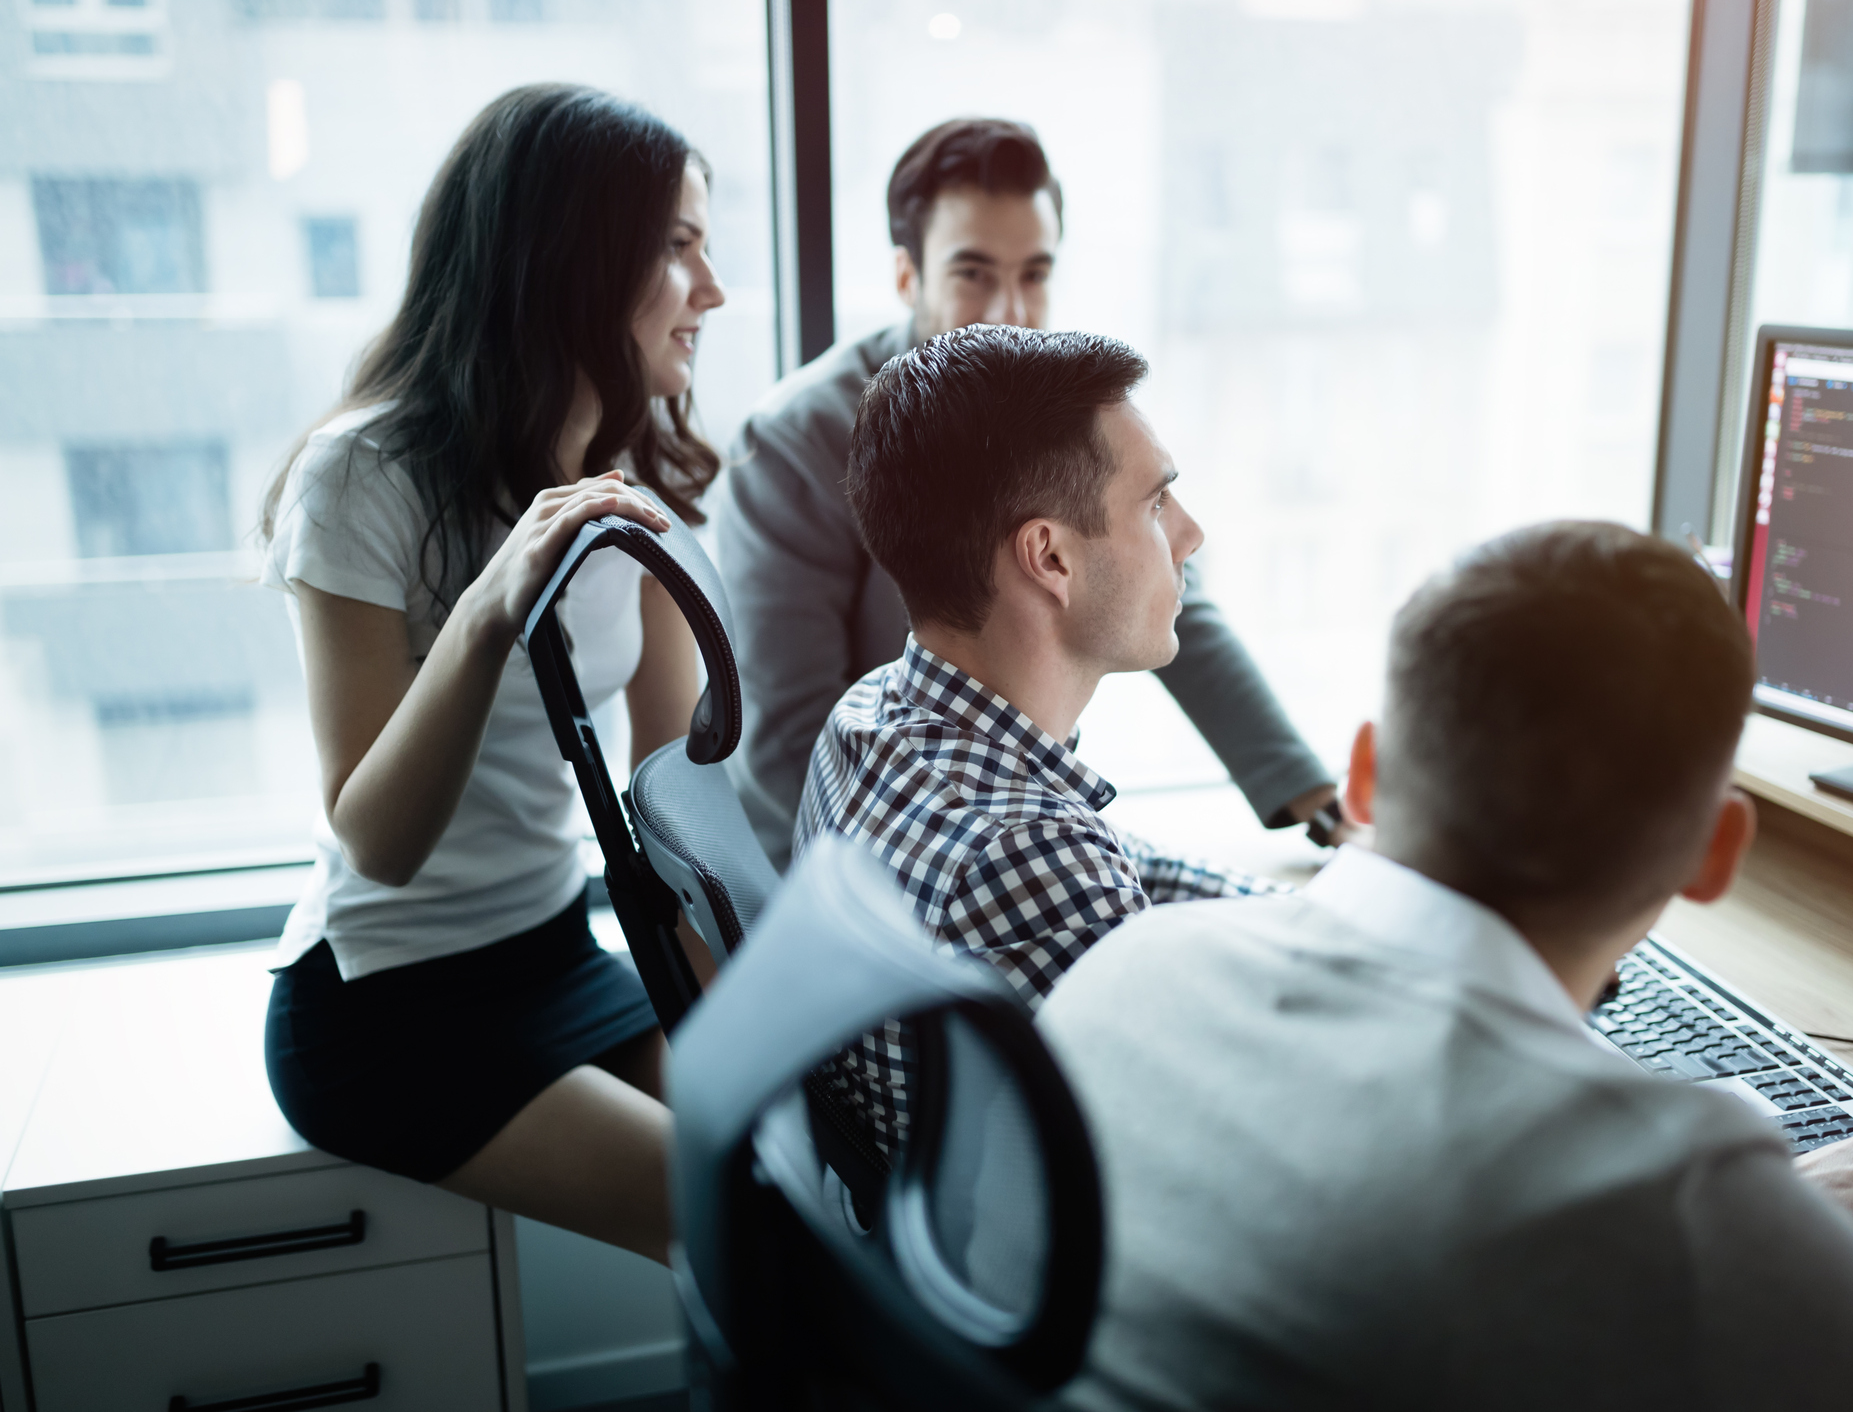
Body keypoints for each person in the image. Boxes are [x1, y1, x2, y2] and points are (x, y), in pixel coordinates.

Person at [1039, 522, 1853, 1411]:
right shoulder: (1678, 1197)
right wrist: (1771, 1241)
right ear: (1715, 853)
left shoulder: (1121, 971)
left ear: (1367, 775)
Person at [258, 85, 724, 1264]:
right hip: (386, 1006)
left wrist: (746, 1024)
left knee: (812, 1173)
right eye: (678, 248)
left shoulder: (631, 484)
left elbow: (676, 817)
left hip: (556, 952)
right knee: (748, 1226)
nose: (711, 291)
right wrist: (487, 608)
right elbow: (379, 839)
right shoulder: (361, 476)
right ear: (572, 261)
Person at [715, 117, 1346, 869]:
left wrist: (1320, 806)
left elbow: (1168, 586)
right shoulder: (793, 442)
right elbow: (792, 728)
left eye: (1035, 275)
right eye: (973, 274)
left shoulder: (1050, 416)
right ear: (907, 276)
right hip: (863, 858)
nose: (1010, 310)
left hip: (999, 821)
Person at [796, 323, 1276, 1155]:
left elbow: (1132, 866)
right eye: (1155, 504)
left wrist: (1322, 925)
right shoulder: (1025, 853)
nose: (1190, 534)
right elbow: (1232, 1127)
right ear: (1049, 558)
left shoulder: (872, 715)